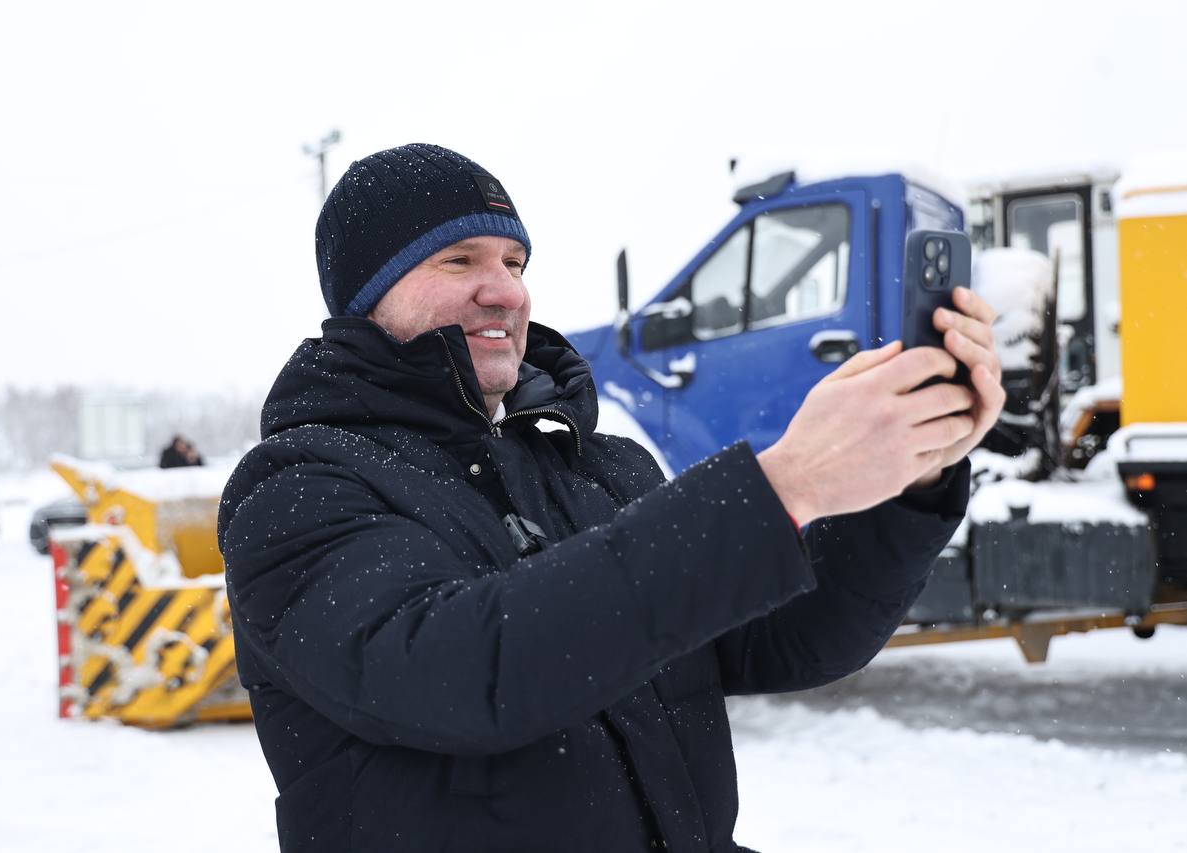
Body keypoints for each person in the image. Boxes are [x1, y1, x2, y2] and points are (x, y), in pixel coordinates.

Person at [217, 144, 1004, 853]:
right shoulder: (295, 492)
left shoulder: (598, 465)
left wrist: (917, 474)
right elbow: (476, 668)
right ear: (366, 297)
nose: (505, 292)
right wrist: (783, 482)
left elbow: (787, 637)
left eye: (516, 262)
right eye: (459, 261)